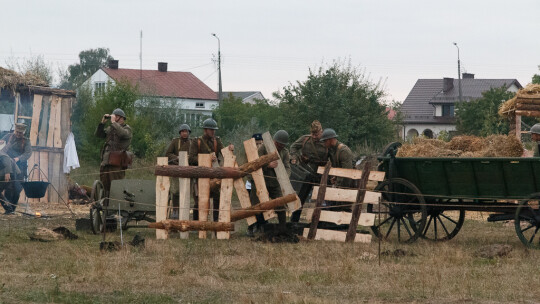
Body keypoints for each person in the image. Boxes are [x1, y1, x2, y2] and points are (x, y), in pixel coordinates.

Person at [188, 118, 234, 221]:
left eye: (214, 130)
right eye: (211, 129)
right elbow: (191, 158)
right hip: (200, 175)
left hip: (213, 176)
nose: (213, 131)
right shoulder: (197, 141)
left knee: (217, 197)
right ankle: (196, 224)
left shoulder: (217, 140)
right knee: (199, 200)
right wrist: (207, 158)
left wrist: (229, 149)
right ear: (205, 130)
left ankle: (216, 222)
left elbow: (224, 153)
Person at [247, 130, 291, 236]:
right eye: (278, 144)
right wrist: (268, 165)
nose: (280, 146)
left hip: (275, 183)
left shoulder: (284, 152)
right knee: (255, 205)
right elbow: (255, 164)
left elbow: (287, 167)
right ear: (274, 141)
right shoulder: (263, 148)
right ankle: (252, 227)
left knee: (280, 204)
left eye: (282, 145)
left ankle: (282, 228)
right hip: (260, 182)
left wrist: (285, 177)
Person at [289, 120, 328, 222]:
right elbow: (293, 147)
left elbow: (332, 156)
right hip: (306, 173)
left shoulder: (326, 142)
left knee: (325, 198)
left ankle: (324, 221)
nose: (314, 136)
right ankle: (294, 221)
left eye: (316, 134)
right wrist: (294, 157)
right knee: (301, 198)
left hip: (321, 174)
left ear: (321, 132)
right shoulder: (305, 139)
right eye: (313, 134)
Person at [95, 108, 133, 199]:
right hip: (106, 161)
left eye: (115, 116)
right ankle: (106, 207)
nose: (113, 117)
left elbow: (122, 134)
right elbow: (99, 135)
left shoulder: (127, 129)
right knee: (105, 185)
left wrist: (113, 123)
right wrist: (102, 123)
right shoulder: (111, 128)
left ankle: (116, 207)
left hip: (117, 163)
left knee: (116, 186)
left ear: (121, 118)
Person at [165, 124, 192, 218]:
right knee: (176, 191)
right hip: (176, 169)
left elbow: (194, 155)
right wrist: (176, 157)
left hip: (188, 170)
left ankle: (184, 213)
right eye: (183, 131)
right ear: (180, 133)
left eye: (186, 131)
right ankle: (175, 212)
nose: (185, 133)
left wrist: (189, 158)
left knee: (186, 192)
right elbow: (168, 153)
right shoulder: (175, 141)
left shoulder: (192, 143)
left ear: (189, 133)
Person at [0, 150, 22, 214]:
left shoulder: (1, 154)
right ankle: (10, 210)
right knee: (11, 191)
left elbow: (6, 158)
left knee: (13, 190)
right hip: (7, 173)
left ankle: (9, 209)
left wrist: (7, 172)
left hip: (11, 172)